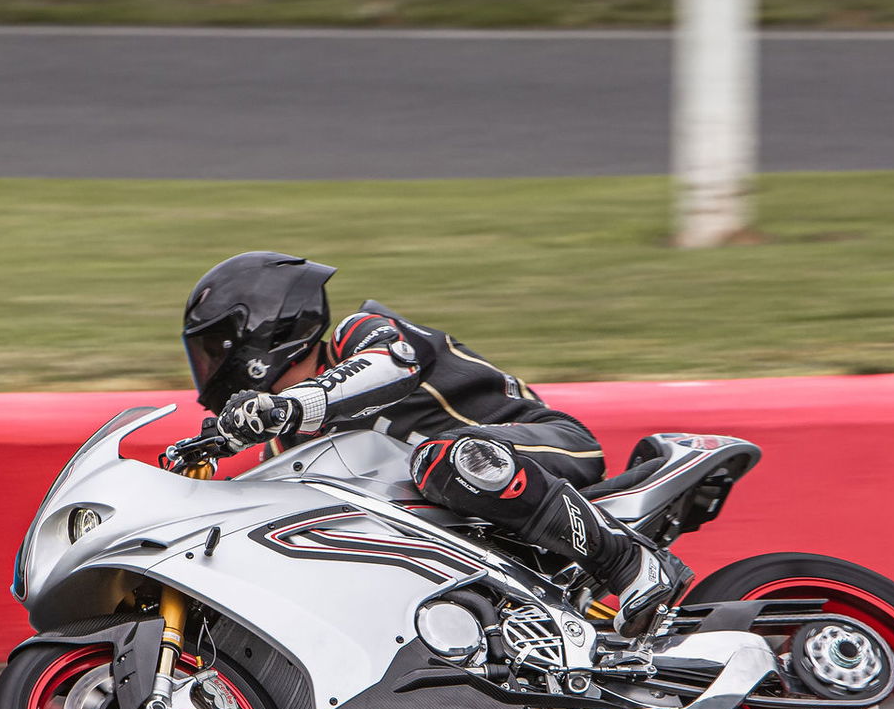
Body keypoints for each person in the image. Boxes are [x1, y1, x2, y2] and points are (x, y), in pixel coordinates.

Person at [176, 250, 692, 636]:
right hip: (473, 528)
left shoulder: (361, 334)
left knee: (442, 460)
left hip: (543, 445)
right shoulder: (284, 450)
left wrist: (293, 406)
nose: (211, 367)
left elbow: (393, 363)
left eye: (215, 348)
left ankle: (631, 563)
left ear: (264, 329)